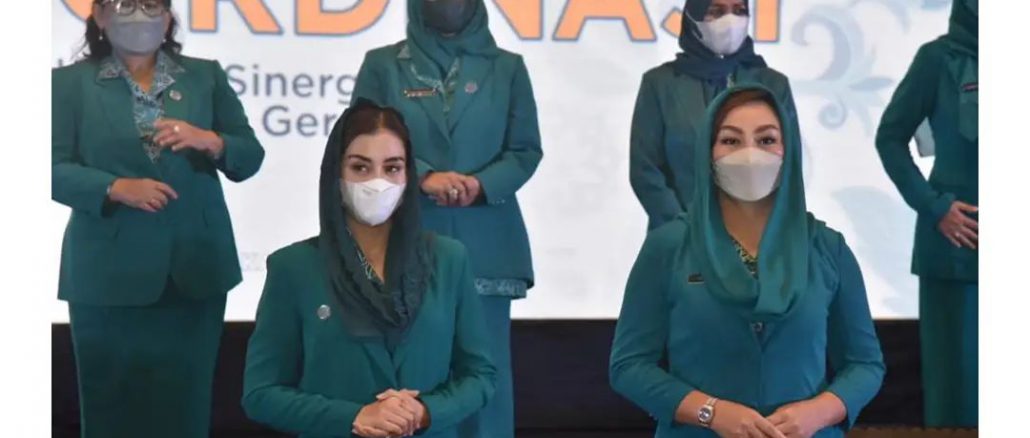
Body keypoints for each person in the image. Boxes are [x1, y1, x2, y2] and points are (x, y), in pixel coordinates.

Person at [611, 86, 885, 438]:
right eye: (731, 141)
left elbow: (865, 364)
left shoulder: (827, 248)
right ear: (708, 153)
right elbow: (630, 366)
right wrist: (711, 412)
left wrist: (818, 413)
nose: (750, 154)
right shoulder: (669, 246)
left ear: (789, 151)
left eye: (766, 140)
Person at [51, 1, 265, 436]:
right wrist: (114, 187)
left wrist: (211, 141)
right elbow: (45, 167)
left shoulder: (204, 76)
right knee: (111, 412)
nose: (138, 15)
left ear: (168, 18)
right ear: (99, 16)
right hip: (106, 274)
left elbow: (249, 156)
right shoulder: (68, 84)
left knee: (184, 410)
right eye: (124, 4)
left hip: (195, 269)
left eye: (150, 4)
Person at [242, 99, 496, 438]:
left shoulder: (449, 259)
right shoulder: (293, 267)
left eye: (392, 168)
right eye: (360, 168)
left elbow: (480, 376)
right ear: (336, 174)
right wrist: (355, 416)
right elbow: (261, 394)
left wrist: (425, 412)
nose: (377, 182)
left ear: (408, 175)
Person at [352, 1, 542, 435]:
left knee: (486, 369)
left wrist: (480, 184)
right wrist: (422, 177)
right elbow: (361, 142)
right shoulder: (383, 65)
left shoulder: (507, 68)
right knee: (417, 368)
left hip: (488, 242)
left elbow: (525, 150)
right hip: (408, 237)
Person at [874, 0, 978, 428]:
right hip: (958, 249)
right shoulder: (937, 59)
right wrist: (935, 206)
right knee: (959, 395)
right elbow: (890, 138)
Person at [630, 0, 798, 230]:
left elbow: (789, 165)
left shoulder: (773, 84)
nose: (730, 20)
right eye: (716, 11)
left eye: (739, 11)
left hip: (758, 236)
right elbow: (645, 169)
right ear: (694, 17)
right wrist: (682, 229)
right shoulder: (660, 84)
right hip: (680, 236)